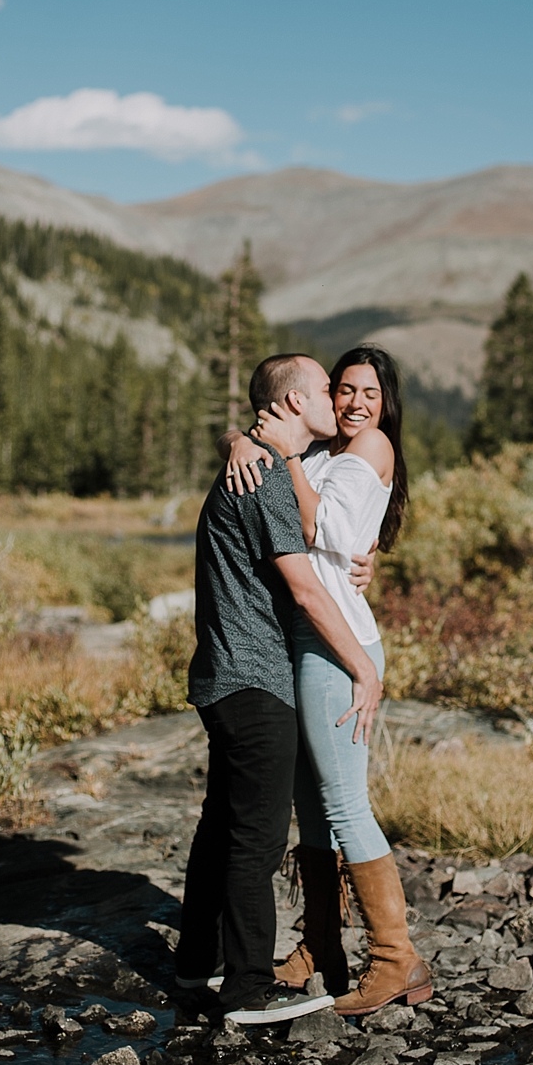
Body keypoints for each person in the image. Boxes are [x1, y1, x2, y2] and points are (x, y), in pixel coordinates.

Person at [174, 353, 385, 1026]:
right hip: (254, 679)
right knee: (257, 842)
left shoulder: (258, 461)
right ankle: (244, 991)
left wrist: (238, 436)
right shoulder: (263, 473)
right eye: (328, 390)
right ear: (296, 402)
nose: (340, 403)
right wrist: (363, 669)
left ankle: (193, 962)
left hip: (225, 674)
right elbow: (303, 587)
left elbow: (332, 533)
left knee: (221, 825)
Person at [223, 345, 432, 1016]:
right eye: (343, 390)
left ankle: (395, 959)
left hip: (338, 647)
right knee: (312, 804)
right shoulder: (324, 454)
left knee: (343, 803)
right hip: (310, 640)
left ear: (385, 403)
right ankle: (321, 945)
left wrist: (280, 454)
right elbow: (267, 449)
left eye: (368, 393)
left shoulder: (367, 446)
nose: (354, 404)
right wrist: (239, 440)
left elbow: (326, 527)